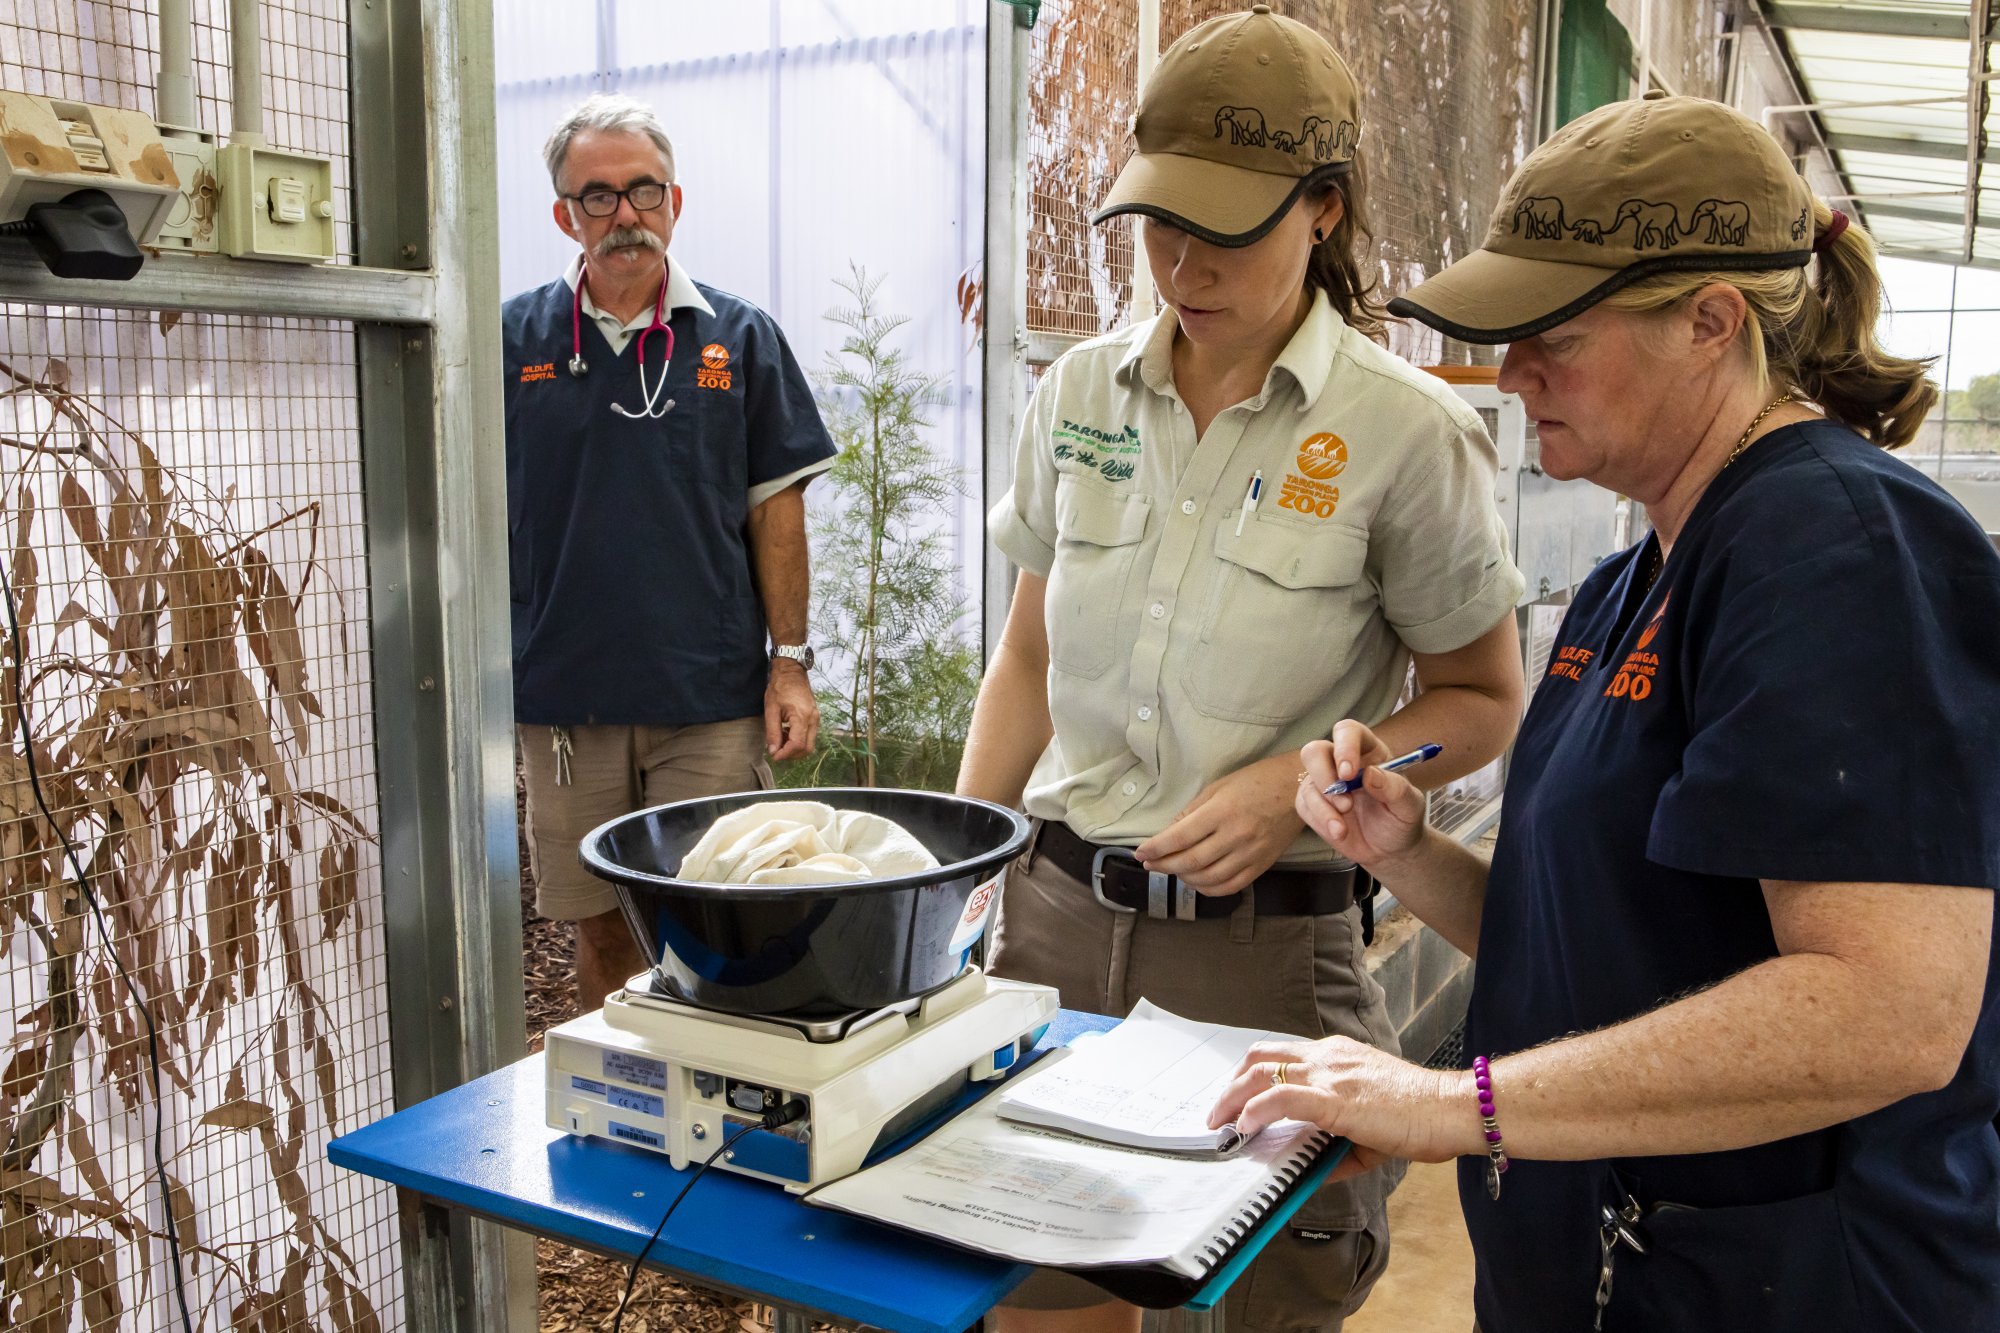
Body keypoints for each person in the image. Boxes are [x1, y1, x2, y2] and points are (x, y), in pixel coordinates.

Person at [1209, 94, 2000, 1333]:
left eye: (1552, 337)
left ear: (1710, 321)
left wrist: (1443, 1104)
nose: (1510, 372)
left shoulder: (1836, 547)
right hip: (1599, 1261)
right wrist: (1404, 850)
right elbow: (1593, 941)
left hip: (1785, 1280)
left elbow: (1888, 1011)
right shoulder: (1630, 578)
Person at [957, 9, 1527, 1331]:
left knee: (1268, 1301)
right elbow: (1029, 655)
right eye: (1161, 224)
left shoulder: (1407, 435)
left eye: (1226, 228)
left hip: (1267, 957)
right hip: (1051, 925)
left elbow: (1480, 703)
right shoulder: (1081, 396)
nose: (1181, 262)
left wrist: (1299, 782)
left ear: (1323, 209)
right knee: (1036, 1291)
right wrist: (966, 871)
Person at [502, 95, 835, 1010]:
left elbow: (778, 514)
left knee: (722, 912)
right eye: (597, 197)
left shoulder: (740, 337)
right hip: (570, 704)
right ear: (564, 215)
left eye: (643, 191)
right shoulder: (509, 342)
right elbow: (476, 516)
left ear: (675, 202)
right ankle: (625, 1102)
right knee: (600, 924)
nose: (624, 216)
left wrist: (791, 667)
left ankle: (728, 1111)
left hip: (709, 700)